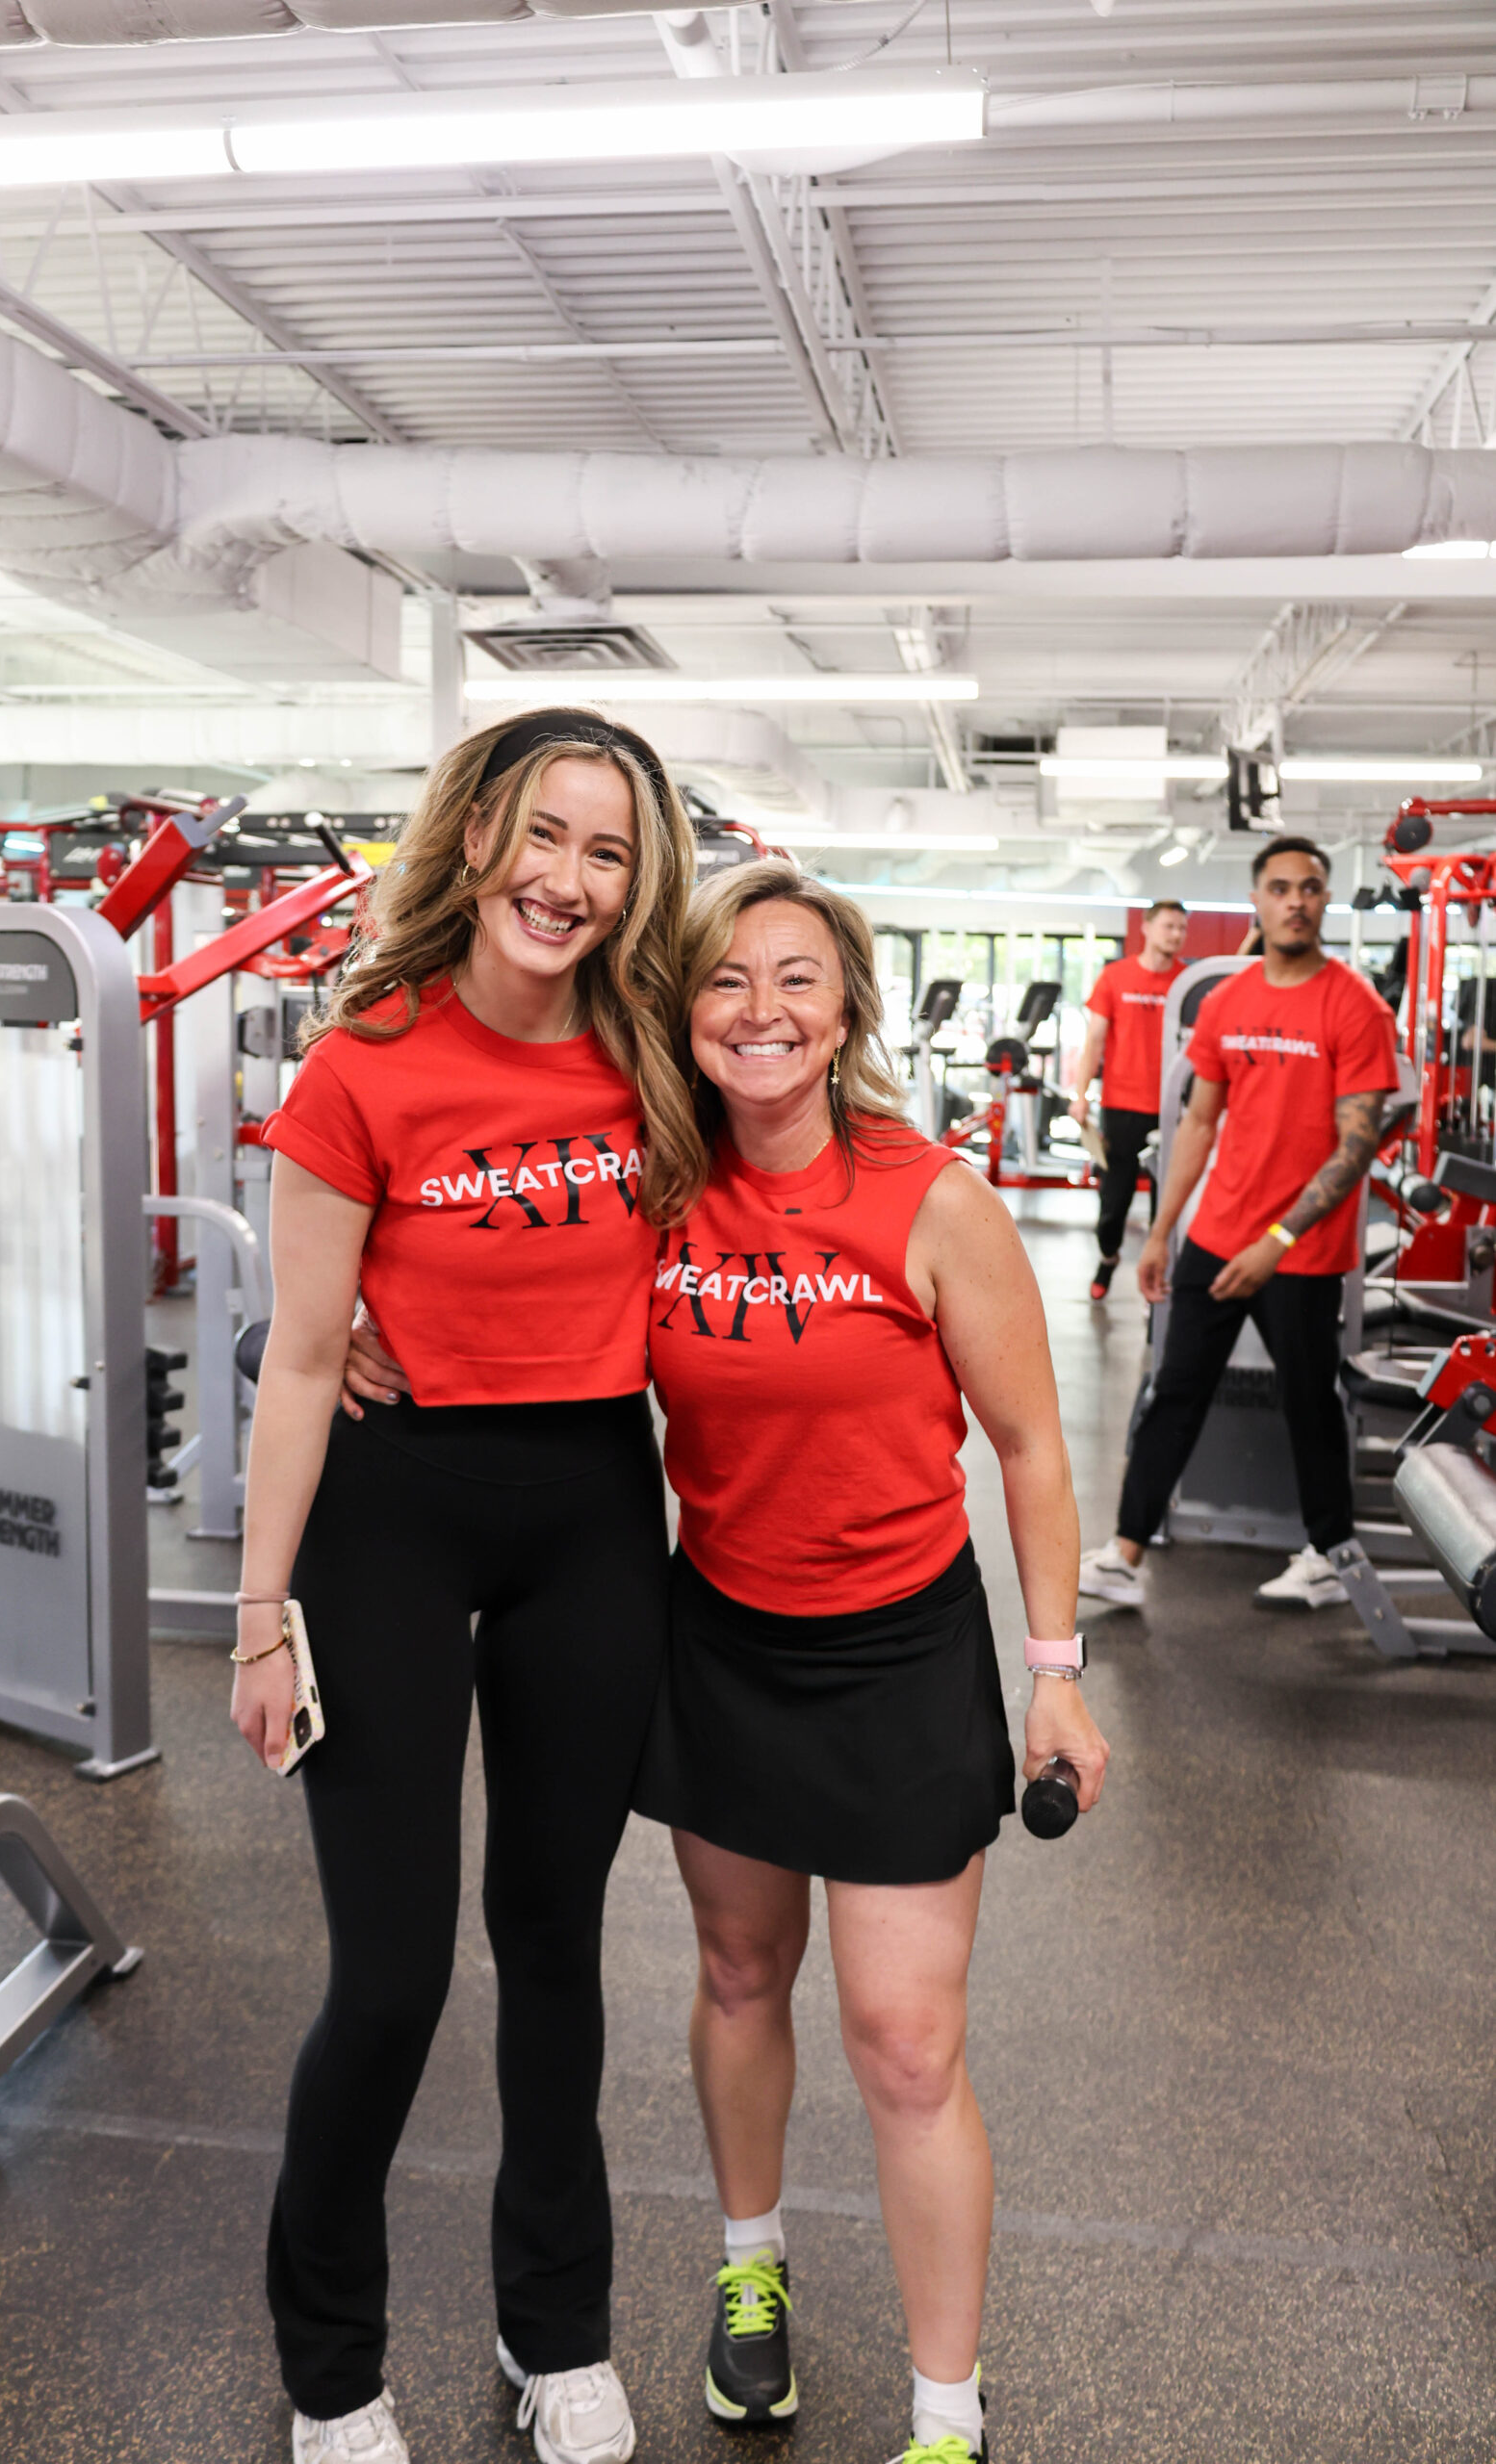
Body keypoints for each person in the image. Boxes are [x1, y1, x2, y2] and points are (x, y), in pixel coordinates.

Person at [230, 707, 704, 2464]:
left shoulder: (656, 1056)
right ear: (477, 839)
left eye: (608, 852)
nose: (568, 880)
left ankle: (554, 2329)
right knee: (390, 1975)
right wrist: (259, 1617)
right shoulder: (364, 1065)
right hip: (393, 1517)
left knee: (556, 1944)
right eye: (543, 836)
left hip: (591, 1510)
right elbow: (299, 1358)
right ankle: (330, 2369)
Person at [634, 865, 1108, 2464]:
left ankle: (942, 2416)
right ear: (685, 1013)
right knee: (737, 1975)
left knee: (905, 2042)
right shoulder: (660, 1189)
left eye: (796, 980)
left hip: (897, 1655)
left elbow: (1030, 1447)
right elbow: (509, 1300)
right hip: (721, 1637)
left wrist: (1052, 1670)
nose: (759, 1010)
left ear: (845, 1015)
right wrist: (361, 1328)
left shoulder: (932, 1199)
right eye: (725, 980)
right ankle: (749, 2265)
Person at [1078, 834, 1398, 1615]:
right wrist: (1161, 1231)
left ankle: (1327, 1554)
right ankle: (1124, 1554)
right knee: (1174, 1388)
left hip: (1300, 1250)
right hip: (1217, 1234)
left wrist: (1276, 1242)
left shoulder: (1354, 1006)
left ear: (1324, 899)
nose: (1295, 901)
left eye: (1309, 888)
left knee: (1308, 1400)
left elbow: (1356, 1146)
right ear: (1255, 901)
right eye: (1279, 888)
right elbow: (1197, 1123)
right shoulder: (1226, 1001)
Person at [1070, 899, 1189, 1301]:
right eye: (1169, 926)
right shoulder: (1115, 976)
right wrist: (1081, 1096)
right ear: (1147, 927)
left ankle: (1157, 1279)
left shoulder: (1185, 982)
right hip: (1121, 1106)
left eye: (1182, 928)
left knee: (1164, 1204)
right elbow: (1094, 1041)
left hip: (1170, 1108)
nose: (1176, 934)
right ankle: (1108, 1257)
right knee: (1113, 1203)